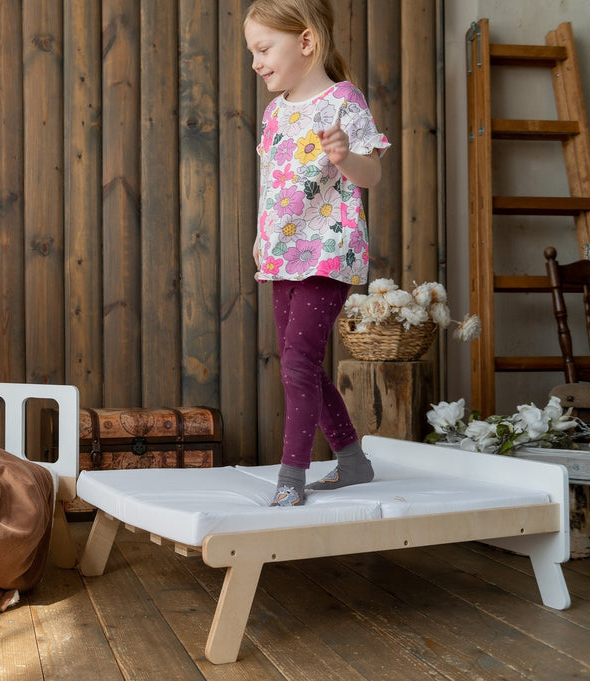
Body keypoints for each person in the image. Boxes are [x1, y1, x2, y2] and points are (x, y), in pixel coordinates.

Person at [243, 0, 390, 506]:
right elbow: (270, 180)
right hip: (283, 253)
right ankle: (352, 461)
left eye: (264, 49)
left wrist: (346, 155)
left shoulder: (344, 102)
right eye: (252, 53)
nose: (257, 62)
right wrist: (260, 234)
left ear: (306, 42)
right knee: (298, 362)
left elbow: (370, 175)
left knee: (298, 364)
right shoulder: (274, 112)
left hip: (328, 251)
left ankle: (291, 479)